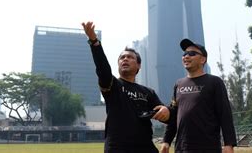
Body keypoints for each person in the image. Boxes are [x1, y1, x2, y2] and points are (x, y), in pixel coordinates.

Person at [82, 21, 170, 153]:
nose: (125, 59)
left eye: (130, 57)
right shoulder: (112, 86)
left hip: (146, 148)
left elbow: (165, 114)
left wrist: (165, 110)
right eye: (122, 57)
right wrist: (94, 42)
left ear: (139, 65)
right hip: (118, 148)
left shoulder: (148, 92)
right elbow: (103, 69)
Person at [161, 38, 237, 153]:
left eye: (192, 53)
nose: (186, 56)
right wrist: (166, 141)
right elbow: (174, 116)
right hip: (182, 148)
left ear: (202, 59)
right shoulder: (179, 84)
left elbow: (225, 114)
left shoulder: (215, 82)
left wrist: (229, 144)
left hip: (208, 147)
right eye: (184, 54)